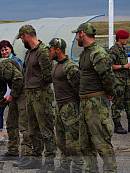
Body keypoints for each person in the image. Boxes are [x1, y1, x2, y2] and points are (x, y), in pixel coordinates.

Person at [71, 23, 117, 172]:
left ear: (82, 33)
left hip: (96, 103)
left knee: (101, 142)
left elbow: (108, 78)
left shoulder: (98, 53)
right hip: (85, 103)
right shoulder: (85, 53)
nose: (76, 37)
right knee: (85, 143)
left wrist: (109, 92)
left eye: (76, 34)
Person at [16, 24, 56, 173]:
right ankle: (36, 159)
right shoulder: (29, 52)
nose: (21, 41)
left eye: (21, 37)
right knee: (33, 129)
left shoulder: (42, 52)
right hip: (30, 94)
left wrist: (38, 87)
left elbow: (48, 76)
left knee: (46, 129)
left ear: (26, 35)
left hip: (41, 94)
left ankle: (50, 161)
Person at [47, 38, 84, 173]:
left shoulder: (71, 67)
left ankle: (77, 167)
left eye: (50, 50)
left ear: (58, 50)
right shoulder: (56, 66)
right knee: (61, 140)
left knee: (72, 142)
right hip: (60, 106)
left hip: (71, 107)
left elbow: (79, 89)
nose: (49, 53)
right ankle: (64, 166)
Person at [0, 40, 23, 146]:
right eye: (2, 50)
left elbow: (20, 77)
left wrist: (12, 93)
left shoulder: (17, 61)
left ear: (11, 49)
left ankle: (19, 139)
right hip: (4, 91)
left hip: (15, 93)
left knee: (15, 117)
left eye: (6, 49)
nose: (4, 52)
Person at [108, 30, 130, 134]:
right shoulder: (113, 51)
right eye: (125, 38)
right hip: (118, 82)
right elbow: (110, 66)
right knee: (117, 104)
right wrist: (124, 66)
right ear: (120, 39)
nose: (127, 40)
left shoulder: (123, 50)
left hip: (126, 81)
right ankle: (117, 125)